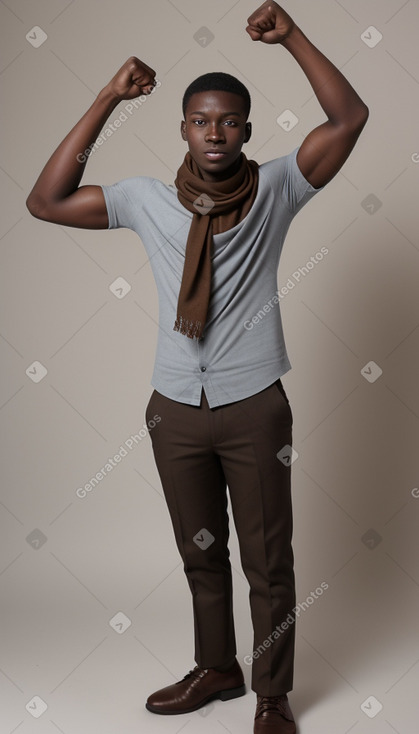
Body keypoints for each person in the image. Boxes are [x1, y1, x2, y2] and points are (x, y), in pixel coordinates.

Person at [26, 2, 368, 731]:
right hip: (174, 407)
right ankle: (217, 669)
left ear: (246, 129)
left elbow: (348, 120)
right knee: (200, 553)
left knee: (268, 562)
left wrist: (292, 38)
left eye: (229, 121)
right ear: (182, 127)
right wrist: (106, 99)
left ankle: (271, 696)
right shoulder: (146, 201)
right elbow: (45, 201)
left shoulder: (276, 187)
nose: (215, 132)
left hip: (253, 403)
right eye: (200, 120)